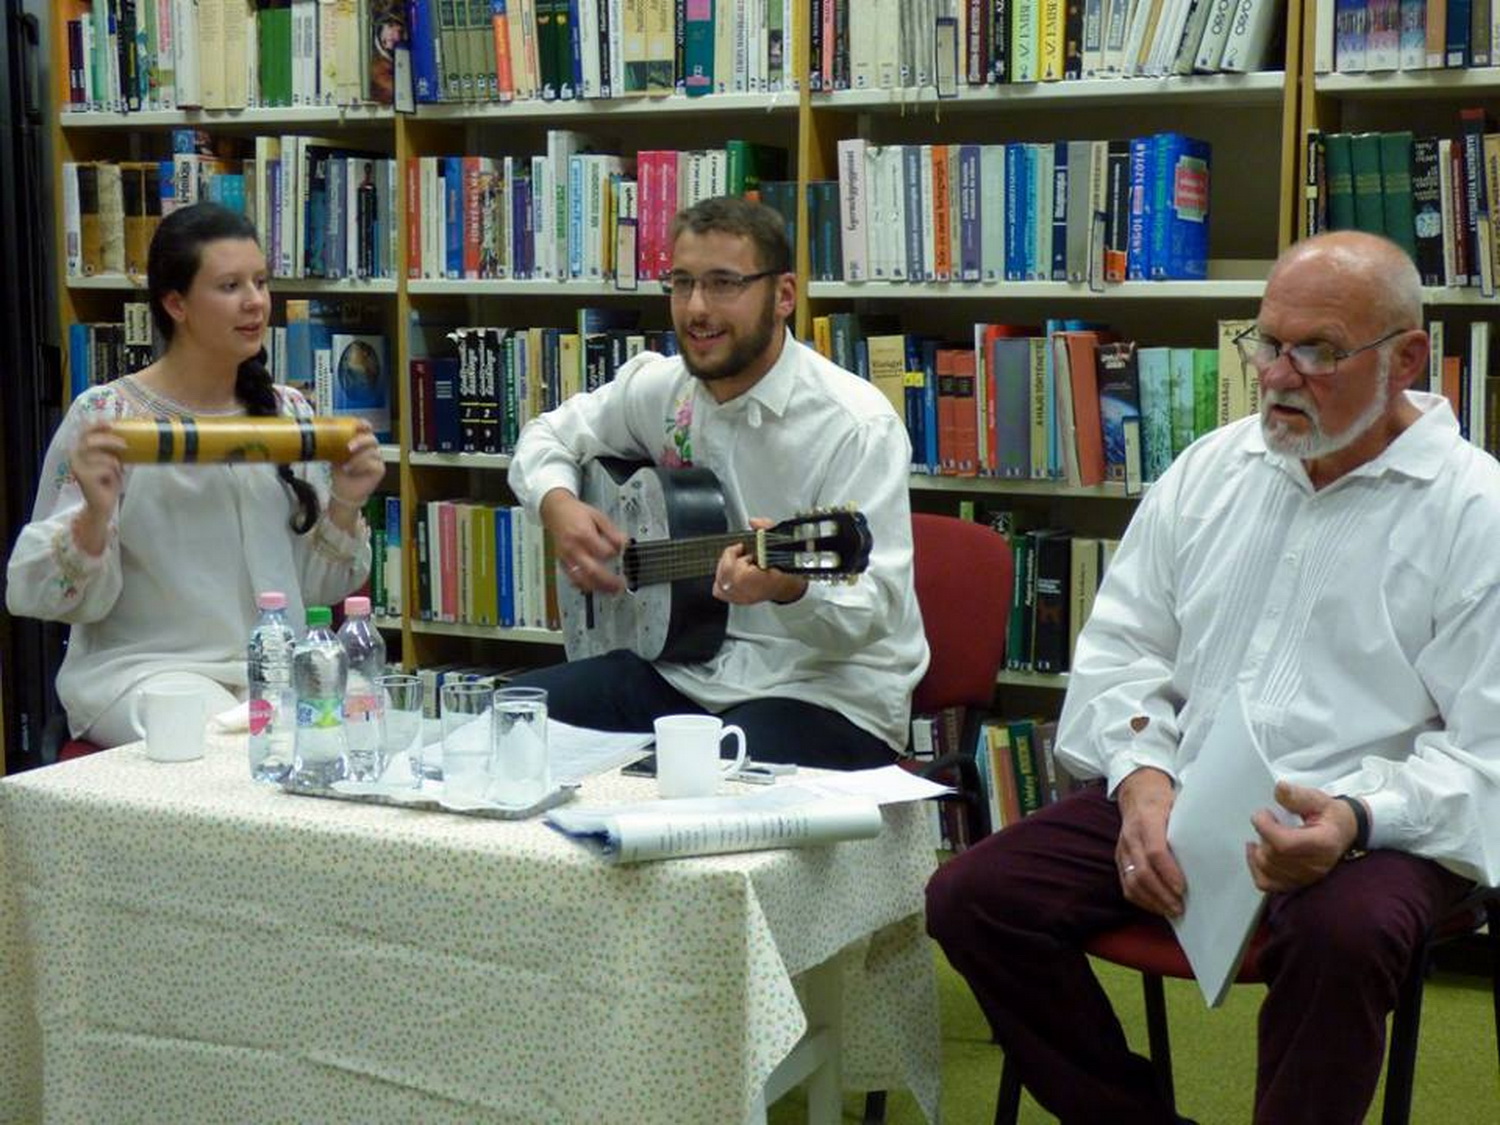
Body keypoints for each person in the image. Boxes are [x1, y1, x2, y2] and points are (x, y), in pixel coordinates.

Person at [926, 231, 1500, 1124]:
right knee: (975, 898)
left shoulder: (1473, 510)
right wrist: (1142, 779)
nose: (1276, 375)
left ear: (1407, 359)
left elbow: (1485, 753)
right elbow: (1122, 649)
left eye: (1318, 351)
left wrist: (1356, 817)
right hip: (1187, 786)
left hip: (1377, 823)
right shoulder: (1213, 467)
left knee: (1342, 937)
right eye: (1267, 342)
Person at [506, 195, 928, 769]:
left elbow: (873, 610)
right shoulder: (664, 388)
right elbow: (548, 436)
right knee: (512, 724)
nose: (697, 308)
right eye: (682, 283)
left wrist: (790, 589)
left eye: (724, 284)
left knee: (691, 780)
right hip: (684, 668)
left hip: (824, 691)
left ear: (784, 295)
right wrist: (558, 505)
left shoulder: (855, 425)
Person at [6, 202, 385, 748]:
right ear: (176, 303)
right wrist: (95, 514)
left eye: (260, 282)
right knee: (226, 742)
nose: (255, 301)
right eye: (230, 286)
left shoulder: (289, 414)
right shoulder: (108, 417)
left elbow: (313, 593)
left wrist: (346, 502)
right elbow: (38, 596)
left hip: (275, 671)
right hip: (147, 675)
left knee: (362, 727)